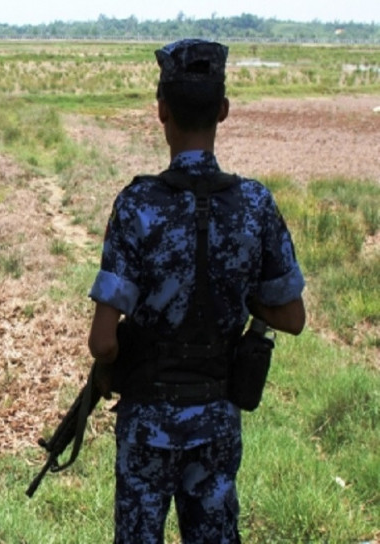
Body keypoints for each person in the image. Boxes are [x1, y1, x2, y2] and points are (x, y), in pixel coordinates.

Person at [87, 39, 306, 544]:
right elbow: (292, 317)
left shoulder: (138, 204)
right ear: (223, 111)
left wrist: (113, 360)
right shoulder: (255, 204)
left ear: (161, 110)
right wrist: (237, 289)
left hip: (147, 422)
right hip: (216, 420)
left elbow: (102, 343)